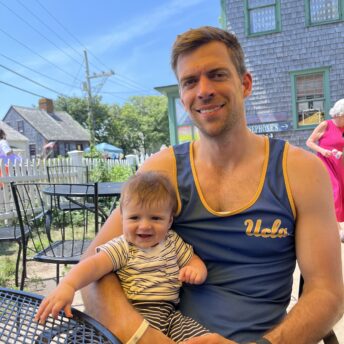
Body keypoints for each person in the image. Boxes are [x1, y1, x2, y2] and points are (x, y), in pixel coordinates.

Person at [81, 26, 344, 344]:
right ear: (182, 96)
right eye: (190, 81)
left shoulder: (299, 171)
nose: (203, 90)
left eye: (217, 75)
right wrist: (146, 339)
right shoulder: (162, 171)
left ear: (245, 84)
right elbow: (93, 269)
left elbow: (328, 292)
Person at [35, 171, 209, 342]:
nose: (145, 226)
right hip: (132, 313)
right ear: (122, 218)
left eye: (156, 218)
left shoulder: (172, 241)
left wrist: (196, 271)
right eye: (134, 217)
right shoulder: (123, 246)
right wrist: (69, 285)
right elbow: (94, 265)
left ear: (169, 221)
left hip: (169, 317)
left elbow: (191, 259)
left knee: (201, 337)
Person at [306, 99, 344, 242]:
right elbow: (309, 141)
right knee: (335, 190)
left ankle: (335, 224)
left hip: (339, 164)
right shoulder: (325, 125)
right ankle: (338, 231)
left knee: (341, 193)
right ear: (339, 114)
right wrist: (323, 150)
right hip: (325, 163)